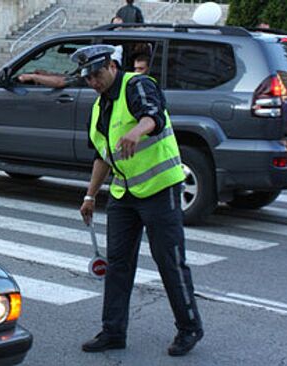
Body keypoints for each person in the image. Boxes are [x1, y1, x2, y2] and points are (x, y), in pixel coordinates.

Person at [75, 45, 203, 357]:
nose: (93, 81)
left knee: (169, 261)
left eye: (97, 73)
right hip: (124, 193)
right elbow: (102, 157)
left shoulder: (137, 85)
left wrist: (136, 132)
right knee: (117, 263)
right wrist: (90, 195)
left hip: (160, 188)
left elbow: (153, 116)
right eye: (88, 77)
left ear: (111, 65)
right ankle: (113, 331)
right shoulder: (99, 107)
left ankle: (189, 328)